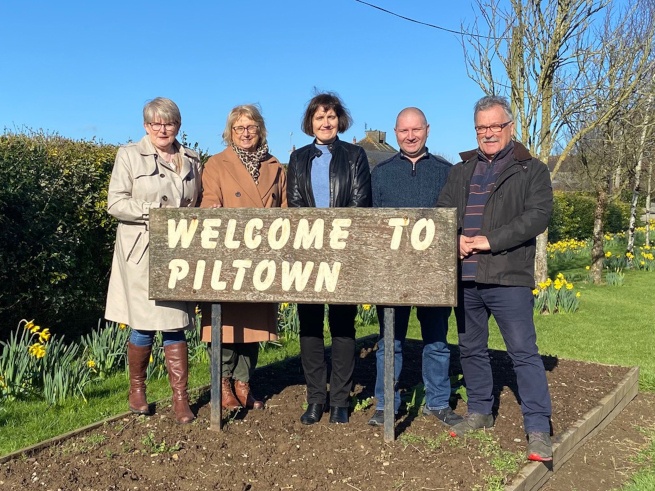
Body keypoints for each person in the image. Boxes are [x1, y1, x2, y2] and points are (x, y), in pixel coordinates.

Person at [437, 95, 554, 462]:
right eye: (481, 128)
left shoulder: (530, 170)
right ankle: (481, 412)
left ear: (510, 127)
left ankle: (537, 428)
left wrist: (491, 240)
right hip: (466, 277)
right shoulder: (461, 170)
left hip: (508, 275)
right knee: (471, 347)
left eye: (495, 126)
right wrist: (451, 237)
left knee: (523, 352)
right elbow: (443, 211)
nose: (488, 133)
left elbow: (537, 216)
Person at [105, 97, 202, 424]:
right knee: (144, 324)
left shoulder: (191, 158)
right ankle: (138, 390)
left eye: (169, 122)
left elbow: (198, 202)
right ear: (146, 126)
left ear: (178, 125)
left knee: (176, 324)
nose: (163, 128)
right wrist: (154, 214)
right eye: (156, 123)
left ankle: (180, 398)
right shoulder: (129, 155)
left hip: (178, 251)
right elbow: (116, 204)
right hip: (142, 252)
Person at [367, 107, 462, 428]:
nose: (410, 136)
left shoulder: (447, 173)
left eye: (416, 130)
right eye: (404, 131)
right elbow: (372, 227)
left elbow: (454, 224)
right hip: (392, 275)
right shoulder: (380, 174)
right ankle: (386, 404)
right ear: (395, 133)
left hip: (433, 275)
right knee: (389, 343)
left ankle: (437, 402)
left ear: (427, 130)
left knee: (436, 342)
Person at [287, 92, 372, 424]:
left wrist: (337, 240)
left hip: (343, 252)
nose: (325, 123)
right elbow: (295, 203)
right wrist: (313, 241)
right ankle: (315, 398)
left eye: (331, 117)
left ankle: (340, 399)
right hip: (308, 253)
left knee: (342, 325)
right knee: (309, 327)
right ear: (311, 122)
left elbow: (360, 202)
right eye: (319, 117)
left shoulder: (355, 155)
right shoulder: (298, 159)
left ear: (340, 120)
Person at [200, 104, 287, 411]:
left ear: (260, 130)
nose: (246, 133)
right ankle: (222, 384)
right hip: (229, 258)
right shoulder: (216, 164)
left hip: (262, 259)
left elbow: (285, 212)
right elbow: (209, 201)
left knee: (252, 326)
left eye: (251, 127)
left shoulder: (275, 166)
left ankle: (243, 383)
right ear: (230, 132)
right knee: (225, 323)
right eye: (239, 128)